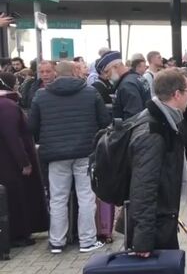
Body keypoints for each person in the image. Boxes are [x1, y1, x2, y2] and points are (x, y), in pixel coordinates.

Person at [28, 61, 111, 254]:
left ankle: (57, 242)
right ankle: (87, 241)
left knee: (57, 198)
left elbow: (32, 126)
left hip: (55, 154)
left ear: (56, 74)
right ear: (75, 72)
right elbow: (104, 121)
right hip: (85, 152)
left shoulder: (41, 95)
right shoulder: (90, 93)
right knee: (86, 197)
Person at [127, 69, 187, 263]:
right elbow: (143, 186)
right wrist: (143, 239)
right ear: (177, 94)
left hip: (163, 219)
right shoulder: (154, 131)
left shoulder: (167, 122)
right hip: (155, 228)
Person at [0, 72, 48, 249]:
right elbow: (13, 137)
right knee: (16, 199)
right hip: (10, 164)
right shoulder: (7, 106)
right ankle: (17, 235)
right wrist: (24, 162)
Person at [96, 51, 150, 120]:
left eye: (107, 72)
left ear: (115, 67)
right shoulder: (136, 77)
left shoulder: (127, 85)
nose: (106, 76)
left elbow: (133, 118)